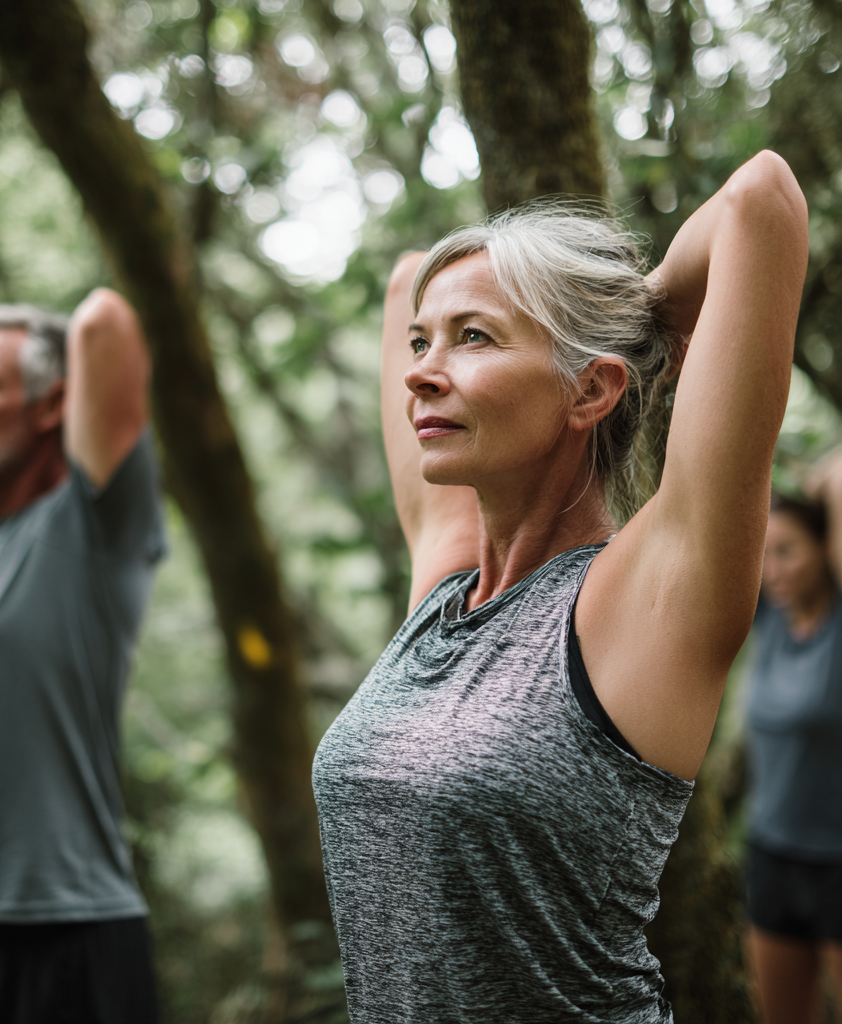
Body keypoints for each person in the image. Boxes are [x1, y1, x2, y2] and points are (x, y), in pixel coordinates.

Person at [311, 150, 809, 1022]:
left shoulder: (645, 603)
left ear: (591, 391)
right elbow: (404, 286)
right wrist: (519, 324)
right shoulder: (447, 586)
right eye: (426, 344)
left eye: (474, 338)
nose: (421, 369)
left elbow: (760, 199)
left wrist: (618, 321)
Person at [0, 290, 165, 1024]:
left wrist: (27, 353)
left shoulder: (93, 529)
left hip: (72, 940)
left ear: (52, 406)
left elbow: (107, 318)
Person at [746, 483, 842, 1023]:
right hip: (773, 857)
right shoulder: (767, 617)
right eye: (765, 553)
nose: (773, 569)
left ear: (826, 548)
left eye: (787, 551)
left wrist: (823, 489)